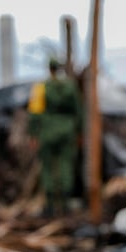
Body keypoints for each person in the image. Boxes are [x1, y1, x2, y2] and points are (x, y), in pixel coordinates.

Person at [28, 57, 83, 218]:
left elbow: (34, 114)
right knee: (66, 165)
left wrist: (33, 134)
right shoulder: (70, 86)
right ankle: (65, 204)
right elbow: (79, 111)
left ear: (49, 68)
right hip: (67, 131)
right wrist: (78, 131)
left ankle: (51, 205)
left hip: (48, 131)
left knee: (48, 168)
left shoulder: (41, 88)